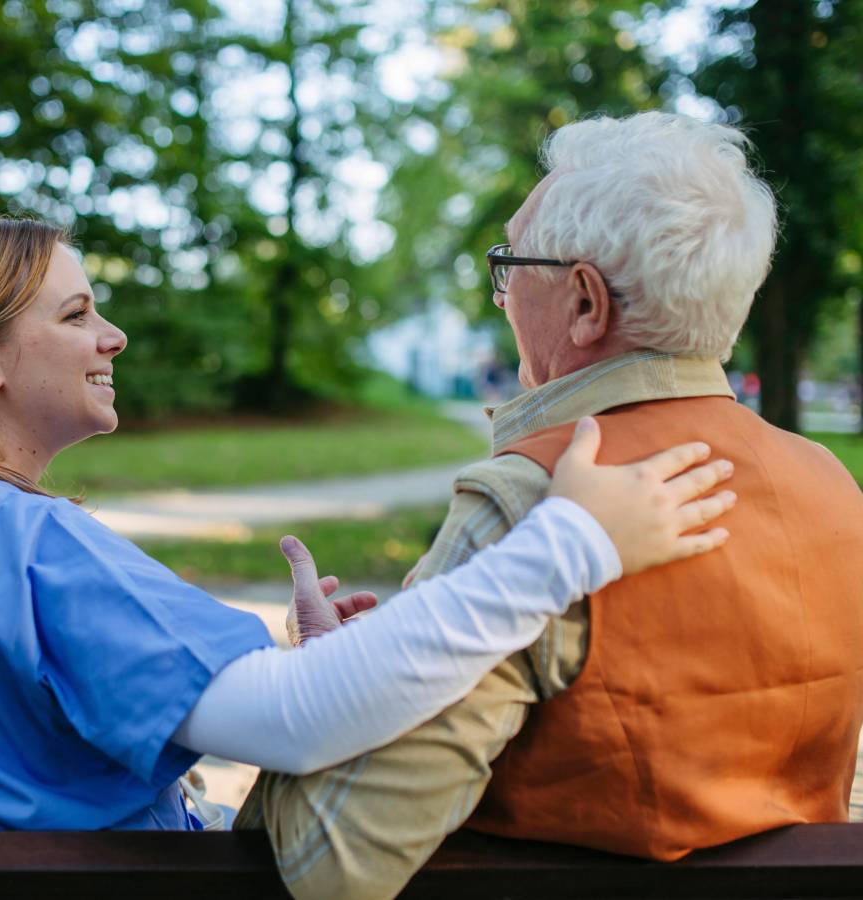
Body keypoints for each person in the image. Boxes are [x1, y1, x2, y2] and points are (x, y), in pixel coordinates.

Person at [0, 213, 734, 832]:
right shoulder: (34, 550)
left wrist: (311, 661)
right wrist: (569, 545)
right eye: (76, 316)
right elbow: (296, 726)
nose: (115, 338)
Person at [236, 111, 863, 899]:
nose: (501, 298)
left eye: (511, 265)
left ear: (585, 304)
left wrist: (324, 691)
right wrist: (374, 666)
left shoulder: (537, 499)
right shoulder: (833, 486)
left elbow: (335, 863)